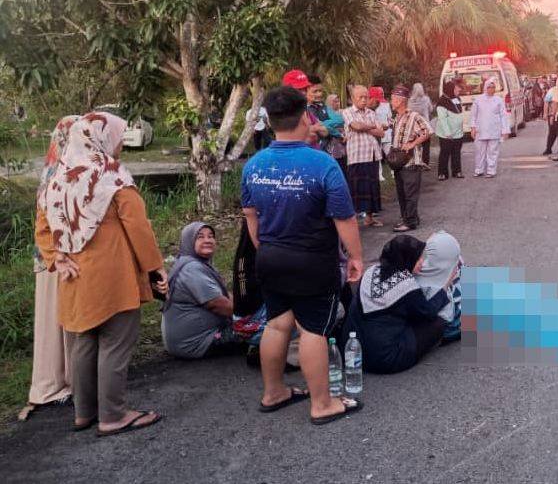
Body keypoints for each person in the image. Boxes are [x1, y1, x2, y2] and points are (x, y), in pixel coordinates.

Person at [35, 112, 167, 436]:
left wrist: (57, 258)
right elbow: (137, 226)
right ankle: (114, 415)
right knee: (115, 342)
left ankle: (84, 413)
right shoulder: (112, 175)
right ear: (100, 137)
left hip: (74, 277)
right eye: (118, 136)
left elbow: (42, 229)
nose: (120, 143)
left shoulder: (56, 179)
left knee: (83, 342)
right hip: (112, 273)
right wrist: (155, 266)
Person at [241, 85, 364, 425]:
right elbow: (345, 217)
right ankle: (323, 404)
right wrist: (355, 256)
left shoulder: (254, 164)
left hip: (269, 257)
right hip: (312, 261)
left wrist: (263, 248)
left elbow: (250, 215)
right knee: (313, 329)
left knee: (277, 323)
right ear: (304, 117)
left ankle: (273, 392)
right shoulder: (321, 163)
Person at [22, 115, 78, 421]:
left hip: (53, 257)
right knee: (55, 322)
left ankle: (66, 380)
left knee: (61, 320)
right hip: (54, 258)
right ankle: (52, 385)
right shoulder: (59, 175)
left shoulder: (55, 170)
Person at [344, 235, 459, 374]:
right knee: (438, 323)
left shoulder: (371, 271)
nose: (422, 263)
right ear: (406, 260)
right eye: (417, 259)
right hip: (386, 359)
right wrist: (445, 287)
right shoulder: (405, 286)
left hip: (354, 351)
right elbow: (429, 312)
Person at [161, 222, 243, 359]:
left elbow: (224, 295)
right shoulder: (191, 269)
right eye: (200, 237)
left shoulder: (196, 263)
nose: (207, 240)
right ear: (189, 241)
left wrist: (246, 308)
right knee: (262, 328)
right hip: (197, 342)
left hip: (190, 340)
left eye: (211, 236)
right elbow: (219, 305)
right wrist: (250, 315)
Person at [389, 85, 433, 233]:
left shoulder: (413, 116)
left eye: (394, 98)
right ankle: (408, 217)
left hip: (411, 162)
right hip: (399, 162)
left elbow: (427, 131)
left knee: (410, 193)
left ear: (401, 100)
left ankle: (410, 221)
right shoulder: (396, 117)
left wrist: (412, 144)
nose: (391, 101)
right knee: (401, 192)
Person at [343, 86, 386, 228]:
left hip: (372, 155)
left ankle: (369, 218)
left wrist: (366, 127)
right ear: (353, 98)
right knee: (356, 188)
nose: (363, 100)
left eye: (366, 97)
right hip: (357, 156)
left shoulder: (371, 112)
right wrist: (371, 127)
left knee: (372, 187)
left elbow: (381, 133)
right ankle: (352, 220)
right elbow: (356, 126)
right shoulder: (347, 112)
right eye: (360, 97)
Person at [469, 77, 510, 177]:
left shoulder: (498, 100)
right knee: (480, 152)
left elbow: (503, 116)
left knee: (493, 152)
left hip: (494, 130)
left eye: (493, 87)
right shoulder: (478, 100)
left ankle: (491, 171)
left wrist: (505, 130)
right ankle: (479, 170)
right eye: (489, 87)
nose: (491, 89)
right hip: (481, 130)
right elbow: (473, 115)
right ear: (485, 88)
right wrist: (473, 128)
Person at [282, 70, 322, 149]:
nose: (303, 92)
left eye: (305, 88)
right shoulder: (283, 111)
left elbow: (322, 129)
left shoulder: (304, 109)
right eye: (299, 89)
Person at [435, 80, 465, 181]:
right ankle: (442, 173)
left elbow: (459, 113)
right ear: (451, 89)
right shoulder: (442, 102)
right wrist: (448, 133)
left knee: (456, 152)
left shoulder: (457, 99)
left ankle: (457, 171)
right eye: (457, 88)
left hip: (458, 133)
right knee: (445, 153)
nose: (459, 90)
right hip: (446, 134)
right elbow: (442, 119)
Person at [408, 83, 433, 166]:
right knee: (426, 145)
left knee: (415, 144)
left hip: (414, 126)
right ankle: (426, 162)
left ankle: (416, 161)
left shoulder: (410, 101)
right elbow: (431, 109)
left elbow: (408, 112)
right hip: (425, 125)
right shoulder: (426, 99)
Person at [324, 93, 348, 176]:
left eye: (338, 101)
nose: (337, 103)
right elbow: (326, 127)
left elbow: (349, 125)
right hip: (332, 142)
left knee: (345, 166)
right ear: (329, 102)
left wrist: (346, 135)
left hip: (345, 142)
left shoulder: (344, 112)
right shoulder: (325, 113)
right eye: (334, 101)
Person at [369, 86, 392, 159]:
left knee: (390, 155)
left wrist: (389, 124)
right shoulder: (369, 109)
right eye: (380, 93)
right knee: (377, 157)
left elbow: (389, 118)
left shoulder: (386, 105)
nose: (382, 95)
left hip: (386, 133)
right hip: (375, 135)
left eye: (383, 93)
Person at [541, 85, 557, 156]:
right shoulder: (552, 90)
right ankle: (548, 148)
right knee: (552, 132)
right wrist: (545, 113)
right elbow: (546, 102)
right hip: (552, 114)